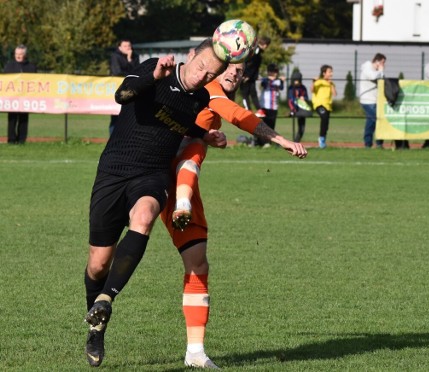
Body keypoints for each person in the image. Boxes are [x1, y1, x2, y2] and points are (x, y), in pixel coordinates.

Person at [82, 37, 229, 367]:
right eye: (202, 67)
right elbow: (122, 95)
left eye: (211, 74)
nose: (203, 76)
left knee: (146, 215)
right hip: (113, 171)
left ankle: (107, 298)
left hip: (152, 175)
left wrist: (204, 135)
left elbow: (178, 120)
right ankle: (96, 326)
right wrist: (154, 78)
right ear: (191, 56)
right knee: (98, 264)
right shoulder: (154, 69)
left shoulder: (201, 97)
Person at [161, 62, 307, 368]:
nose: (232, 74)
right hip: (148, 171)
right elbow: (243, 118)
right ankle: (100, 307)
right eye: (228, 67)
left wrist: (212, 135)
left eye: (239, 71)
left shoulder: (210, 95)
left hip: (175, 179)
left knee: (198, 262)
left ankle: (195, 353)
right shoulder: (209, 91)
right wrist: (282, 141)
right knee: (195, 145)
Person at [3, 44, 37, 144]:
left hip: (26, 98)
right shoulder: (9, 66)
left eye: (20, 54)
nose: (18, 56)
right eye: (16, 54)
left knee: (24, 119)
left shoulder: (31, 67)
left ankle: (22, 140)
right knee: (12, 119)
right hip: (12, 98)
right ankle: (11, 140)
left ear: (25, 55)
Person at [108, 39, 140, 135]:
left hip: (131, 90)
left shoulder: (135, 57)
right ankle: (113, 138)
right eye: (125, 46)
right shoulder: (115, 56)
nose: (128, 48)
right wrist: (130, 67)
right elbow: (117, 72)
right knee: (115, 117)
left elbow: (138, 71)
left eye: (129, 46)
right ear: (119, 47)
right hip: (117, 89)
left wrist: (130, 59)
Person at [359, 53, 386, 148]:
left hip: (375, 100)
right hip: (367, 100)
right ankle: (375, 143)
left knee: (371, 121)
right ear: (377, 61)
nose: (384, 65)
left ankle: (370, 143)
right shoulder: (367, 68)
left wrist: (380, 72)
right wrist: (381, 71)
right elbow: (373, 76)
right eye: (383, 63)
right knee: (377, 120)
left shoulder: (377, 71)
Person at [254, 63, 284, 147]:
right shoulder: (265, 80)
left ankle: (268, 142)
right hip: (264, 106)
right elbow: (264, 84)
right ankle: (260, 142)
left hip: (274, 107)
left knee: (271, 125)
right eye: (271, 72)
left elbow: (281, 87)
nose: (273, 74)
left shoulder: (278, 81)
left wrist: (281, 80)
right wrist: (271, 79)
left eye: (275, 72)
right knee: (262, 125)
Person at [240, 36, 271, 118]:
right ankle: (252, 110)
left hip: (249, 76)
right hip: (248, 76)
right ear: (265, 45)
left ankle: (251, 110)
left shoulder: (257, 50)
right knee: (248, 94)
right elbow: (251, 64)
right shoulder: (256, 50)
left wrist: (249, 75)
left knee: (248, 94)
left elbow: (253, 64)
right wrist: (247, 75)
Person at [312, 64, 337, 149]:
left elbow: (334, 94)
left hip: (328, 106)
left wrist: (330, 84)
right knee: (324, 117)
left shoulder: (331, 83)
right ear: (324, 73)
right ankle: (321, 139)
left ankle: (323, 140)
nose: (331, 74)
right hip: (319, 105)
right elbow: (312, 90)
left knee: (326, 124)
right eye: (329, 72)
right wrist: (314, 82)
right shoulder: (319, 81)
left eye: (331, 72)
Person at [287, 70, 311, 142]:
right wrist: (294, 105)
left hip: (301, 109)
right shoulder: (291, 88)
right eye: (295, 80)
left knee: (302, 127)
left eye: (297, 80)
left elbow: (306, 97)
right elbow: (290, 98)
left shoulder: (303, 88)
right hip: (294, 108)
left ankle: (296, 141)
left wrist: (303, 98)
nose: (296, 82)